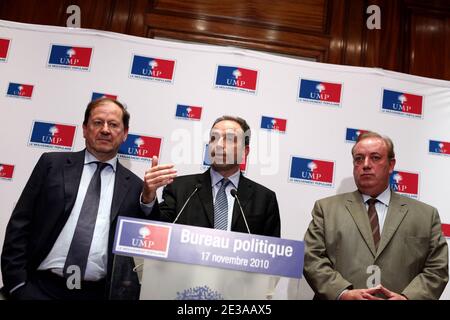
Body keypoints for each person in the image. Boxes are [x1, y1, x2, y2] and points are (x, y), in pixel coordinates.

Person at [1, 98, 152, 300]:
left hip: (95, 294)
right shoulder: (52, 165)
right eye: (98, 122)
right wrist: (18, 285)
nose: (105, 130)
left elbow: (145, 245)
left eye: (113, 124)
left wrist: (149, 200)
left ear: (124, 134)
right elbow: (20, 224)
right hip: (39, 288)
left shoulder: (135, 186)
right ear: (84, 129)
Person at [303, 131, 448, 300]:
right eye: (359, 158)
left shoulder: (425, 215)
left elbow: (437, 268)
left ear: (391, 164)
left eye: (375, 157)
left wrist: (408, 298)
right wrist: (342, 294)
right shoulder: (326, 209)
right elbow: (311, 258)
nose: (365, 164)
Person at [142, 115, 281, 237]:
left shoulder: (265, 199)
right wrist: (148, 199)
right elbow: (157, 231)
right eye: (214, 138)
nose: (219, 145)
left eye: (230, 139)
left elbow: (271, 256)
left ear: (245, 151)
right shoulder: (180, 188)